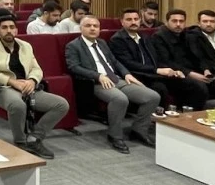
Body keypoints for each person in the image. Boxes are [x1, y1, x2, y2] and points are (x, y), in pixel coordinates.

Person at [0, 15, 68, 159]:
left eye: (12, 27)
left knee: (61, 104)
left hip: (27, 87)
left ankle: (34, 138)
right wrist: (12, 82)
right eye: (4, 28)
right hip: (2, 88)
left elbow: (36, 69)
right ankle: (20, 141)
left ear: (16, 30)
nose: (8, 30)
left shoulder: (25, 46)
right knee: (18, 105)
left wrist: (32, 80)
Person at [65, 15, 159, 154]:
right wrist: (98, 76)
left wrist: (126, 74)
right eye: (88, 26)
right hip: (96, 83)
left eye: (96, 26)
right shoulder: (74, 45)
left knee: (152, 96)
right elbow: (74, 67)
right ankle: (115, 135)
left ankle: (139, 130)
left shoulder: (102, 43)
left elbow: (114, 62)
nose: (92, 28)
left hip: (116, 79)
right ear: (81, 28)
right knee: (120, 99)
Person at [110, 8, 208, 110]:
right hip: (138, 75)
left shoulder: (144, 36)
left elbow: (156, 58)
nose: (133, 22)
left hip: (154, 74)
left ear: (140, 20)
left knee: (196, 86)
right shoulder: (118, 39)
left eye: (136, 19)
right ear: (122, 22)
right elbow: (129, 64)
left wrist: (173, 71)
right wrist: (157, 70)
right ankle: (160, 117)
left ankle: (189, 115)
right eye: (129, 19)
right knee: (160, 88)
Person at [151, 9, 215, 105]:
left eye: (181, 21)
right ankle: (190, 112)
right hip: (174, 74)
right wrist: (191, 74)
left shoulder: (188, 35)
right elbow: (167, 62)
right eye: (174, 21)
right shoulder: (159, 37)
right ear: (167, 22)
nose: (178, 24)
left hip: (194, 71)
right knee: (200, 87)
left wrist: (205, 69)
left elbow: (198, 56)